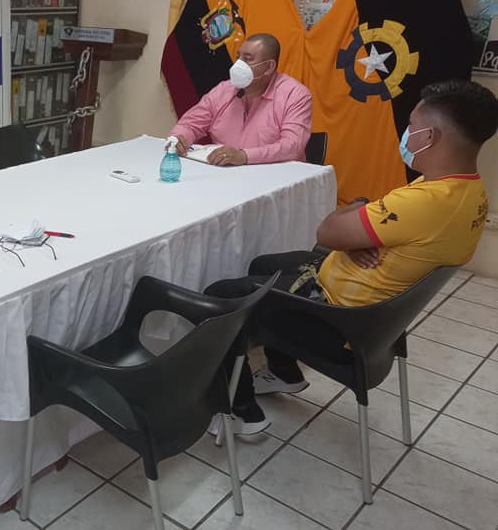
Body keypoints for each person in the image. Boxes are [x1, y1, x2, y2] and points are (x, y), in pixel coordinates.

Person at [203, 79, 496, 434]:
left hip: (340, 322)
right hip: (372, 311)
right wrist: (356, 233)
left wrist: (354, 211)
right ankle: (284, 372)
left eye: (412, 125)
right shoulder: (469, 190)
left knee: (222, 295)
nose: (406, 133)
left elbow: (327, 231)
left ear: (430, 137)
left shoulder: (424, 202)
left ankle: (241, 412)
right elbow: (372, 230)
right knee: (264, 264)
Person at [168, 33, 312, 166]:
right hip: (224, 172)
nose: (238, 64)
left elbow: (292, 146)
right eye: (238, 57)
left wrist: (244, 156)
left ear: (269, 67)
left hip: (275, 176)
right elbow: (190, 124)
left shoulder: (295, 94)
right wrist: (179, 138)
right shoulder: (224, 89)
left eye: (247, 59)